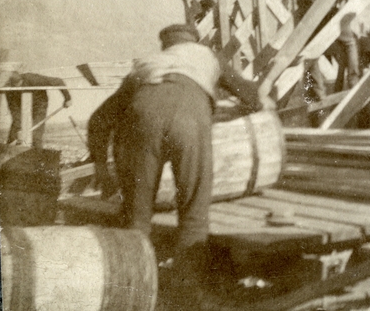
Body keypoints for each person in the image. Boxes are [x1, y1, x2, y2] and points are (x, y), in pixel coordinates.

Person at [88, 24, 267, 309]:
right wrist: (246, 107)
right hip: (189, 117)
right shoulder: (208, 56)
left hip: (140, 118)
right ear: (194, 41)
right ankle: (187, 296)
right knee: (194, 212)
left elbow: (98, 119)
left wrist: (100, 166)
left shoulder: (146, 66)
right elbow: (251, 95)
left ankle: (135, 293)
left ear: (165, 46)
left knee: (137, 215)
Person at [4, 71, 72, 147]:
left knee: (35, 134)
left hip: (39, 104)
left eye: (19, 85)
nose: (17, 88)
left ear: (21, 80)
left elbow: (58, 81)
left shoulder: (33, 78)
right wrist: (18, 127)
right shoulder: (8, 88)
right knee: (14, 134)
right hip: (21, 105)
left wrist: (67, 98)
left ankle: (37, 155)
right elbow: (14, 109)